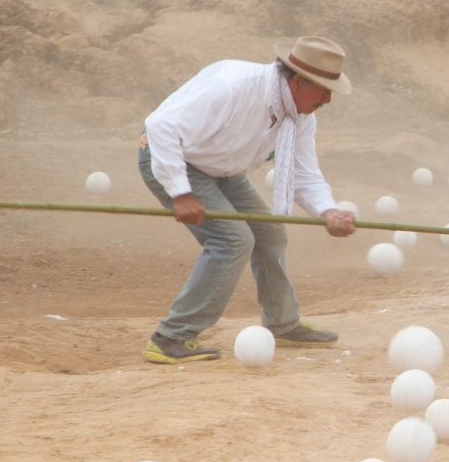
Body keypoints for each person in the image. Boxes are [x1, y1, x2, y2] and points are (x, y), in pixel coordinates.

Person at [136, 36, 357, 364]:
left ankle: (282, 322)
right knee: (233, 240)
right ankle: (172, 336)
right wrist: (181, 192)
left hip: (222, 169)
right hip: (172, 160)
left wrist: (328, 210)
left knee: (270, 233)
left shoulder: (300, 116)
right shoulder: (234, 87)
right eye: (323, 89)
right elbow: (160, 126)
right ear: (297, 80)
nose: (327, 98)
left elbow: (304, 173)